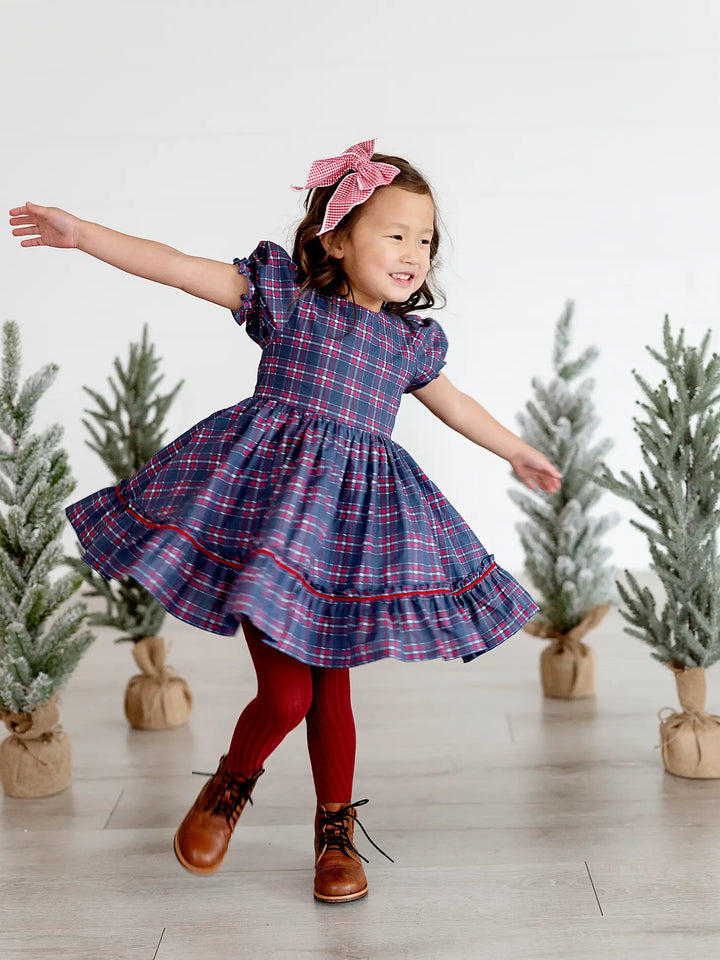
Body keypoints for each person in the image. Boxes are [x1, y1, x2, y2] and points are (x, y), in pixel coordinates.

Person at [9, 139, 560, 903]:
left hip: (346, 534)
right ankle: (230, 784)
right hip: (266, 519)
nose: (415, 253)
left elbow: (457, 406)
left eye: (426, 240)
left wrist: (518, 451)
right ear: (337, 240)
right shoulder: (287, 299)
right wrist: (84, 235)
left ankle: (335, 833)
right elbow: (177, 266)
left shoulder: (409, 343)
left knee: (332, 692)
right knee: (290, 696)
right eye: (395, 234)